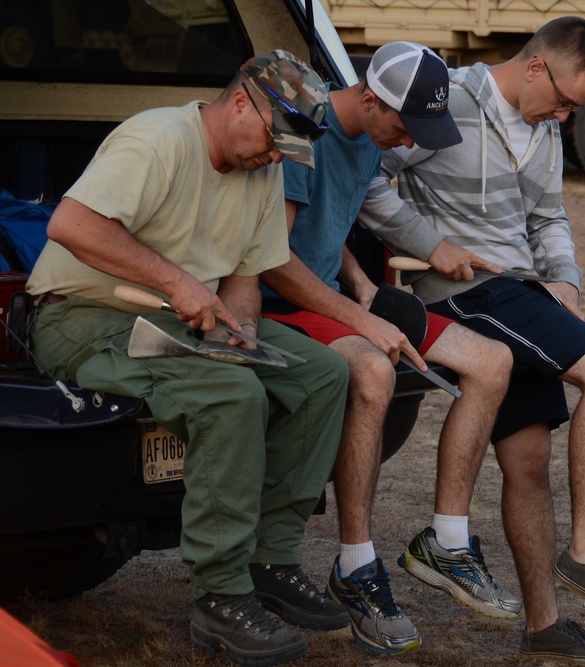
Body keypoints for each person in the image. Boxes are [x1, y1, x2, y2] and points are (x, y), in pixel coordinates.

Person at [26, 50, 350, 667]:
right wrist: (176, 282)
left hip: (178, 315)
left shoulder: (263, 167)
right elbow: (69, 225)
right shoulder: (158, 138)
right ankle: (221, 599)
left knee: (323, 375)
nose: (275, 155)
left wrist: (242, 335)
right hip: (83, 313)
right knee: (229, 395)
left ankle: (270, 563)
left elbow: (245, 277)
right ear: (237, 104)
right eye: (273, 139)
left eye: (287, 148)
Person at [359, 17, 585, 666]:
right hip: (468, 294)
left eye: (574, 109)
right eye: (564, 101)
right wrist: (427, 243)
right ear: (534, 67)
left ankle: (544, 625)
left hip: (522, 295)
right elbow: (366, 172)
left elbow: (549, 216)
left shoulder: (544, 129)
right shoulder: (451, 103)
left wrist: (567, 283)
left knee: (528, 463)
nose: (563, 115)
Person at [258, 42, 518, 656]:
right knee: (374, 370)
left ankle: (447, 542)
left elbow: (323, 223)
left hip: (331, 295)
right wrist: (356, 315)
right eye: (403, 125)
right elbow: (270, 258)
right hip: (285, 306)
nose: (407, 142)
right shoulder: (307, 133)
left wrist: (359, 278)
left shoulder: (367, 139)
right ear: (369, 99)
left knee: (492, 362)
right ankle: (355, 565)